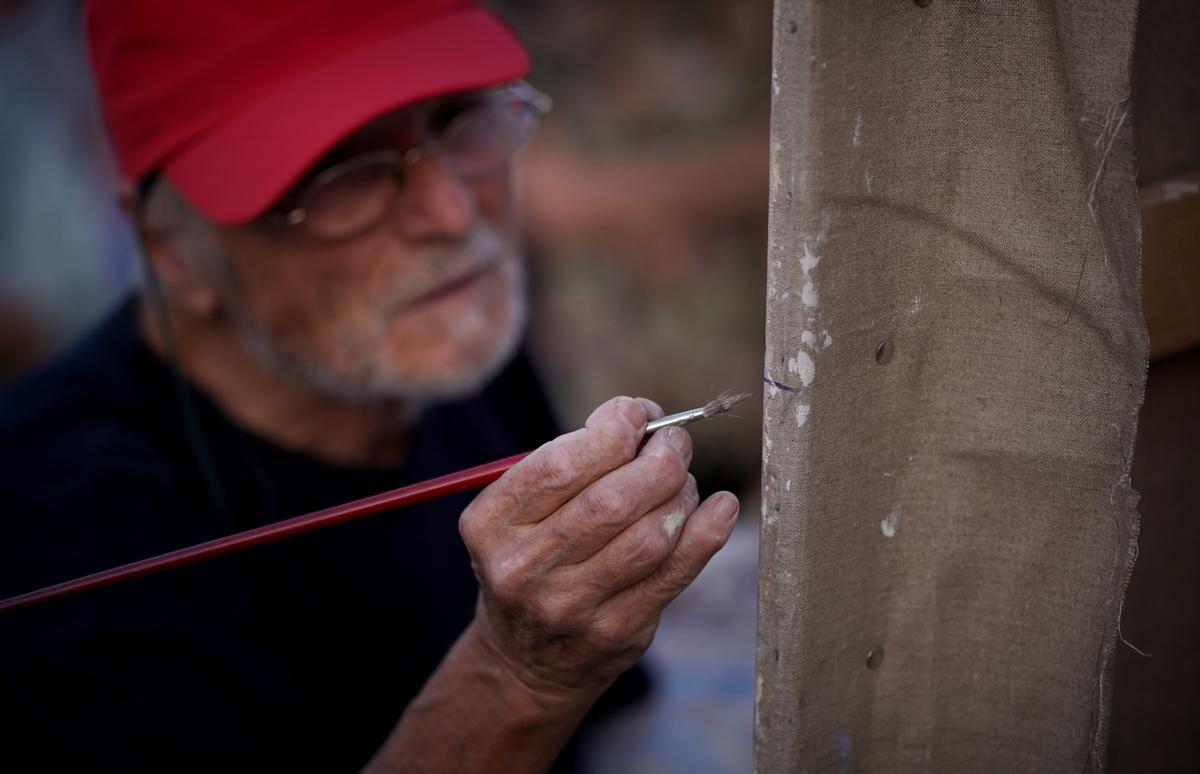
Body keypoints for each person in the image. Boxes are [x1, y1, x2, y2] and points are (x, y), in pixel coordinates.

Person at [0, 1, 741, 771]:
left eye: (459, 118)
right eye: (339, 176)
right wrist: (517, 680)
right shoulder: (56, 526)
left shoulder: (436, 327)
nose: (453, 213)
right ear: (169, 248)